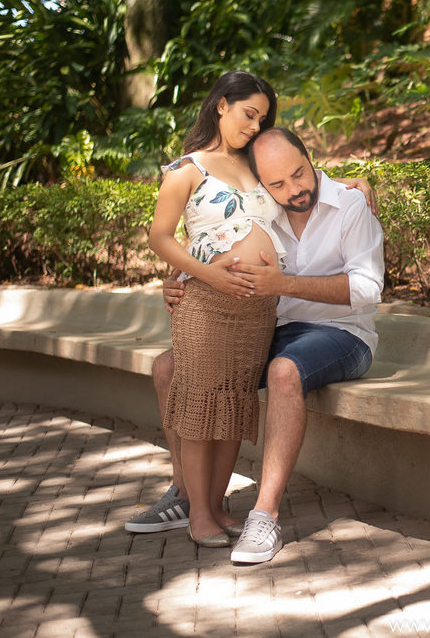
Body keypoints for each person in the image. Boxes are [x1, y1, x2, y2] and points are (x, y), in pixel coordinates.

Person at [128, 126, 384, 565]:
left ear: (311, 158)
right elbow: (206, 242)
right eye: (278, 184)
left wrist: (284, 283)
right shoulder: (263, 205)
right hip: (272, 328)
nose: (294, 190)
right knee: (169, 367)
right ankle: (187, 495)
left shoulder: (350, 205)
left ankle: (264, 514)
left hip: (343, 334)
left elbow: (367, 287)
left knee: (283, 371)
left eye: (300, 175)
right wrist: (175, 284)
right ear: (262, 184)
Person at [146, 70, 284, 548]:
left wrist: (359, 180)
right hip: (205, 305)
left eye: (262, 119)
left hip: (256, 312)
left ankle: (220, 506)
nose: (254, 126)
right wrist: (206, 275)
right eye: (249, 114)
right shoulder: (186, 169)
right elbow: (160, 237)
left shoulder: (259, 165)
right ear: (222, 105)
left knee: (232, 405)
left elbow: (306, 179)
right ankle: (198, 513)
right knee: (202, 407)